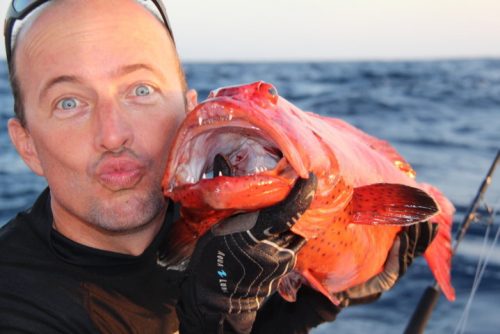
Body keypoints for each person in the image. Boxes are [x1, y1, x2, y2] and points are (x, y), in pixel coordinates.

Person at [0, 0, 438, 333]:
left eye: (141, 90)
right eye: (69, 102)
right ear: (27, 146)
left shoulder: (248, 230)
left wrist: (318, 300)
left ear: (189, 111)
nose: (113, 134)